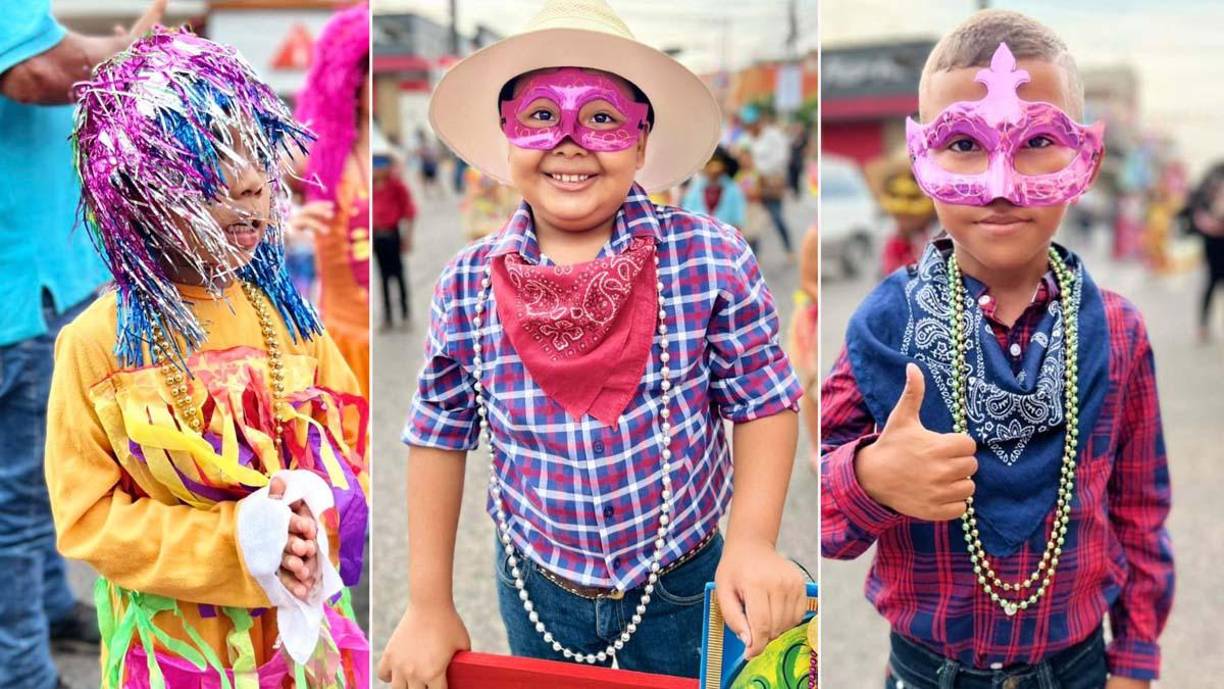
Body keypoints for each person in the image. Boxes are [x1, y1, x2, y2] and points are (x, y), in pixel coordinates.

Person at [378, 0, 807, 685]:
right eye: (541, 116)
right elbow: (438, 432)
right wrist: (428, 601)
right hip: (538, 588)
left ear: (641, 143)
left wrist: (752, 541)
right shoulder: (465, 286)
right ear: (507, 139)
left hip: (687, 583)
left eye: (602, 117)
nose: (569, 142)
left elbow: (764, 398)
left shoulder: (709, 258)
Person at [821, 11, 1172, 689]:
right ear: (922, 158)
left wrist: (1134, 661)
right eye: (963, 145)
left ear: (1085, 158)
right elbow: (828, 527)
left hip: (1079, 670)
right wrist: (869, 476)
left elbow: (1140, 510)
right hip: (929, 673)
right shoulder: (884, 325)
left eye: (1039, 140)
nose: (1001, 183)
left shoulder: (1119, 331)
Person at [45, 28, 370, 687]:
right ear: (135, 193)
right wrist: (238, 544)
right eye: (209, 164)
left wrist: (315, 517)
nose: (249, 184)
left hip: (305, 648)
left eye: (254, 153)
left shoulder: (291, 322)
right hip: (174, 656)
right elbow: (87, 517)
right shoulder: (94, 343)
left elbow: (351, 447)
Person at [0, 2, 165, 687]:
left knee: (36, 482)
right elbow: (37, 72)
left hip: (34, 286)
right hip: (19, 294)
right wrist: (132, 45)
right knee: (17, 503)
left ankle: (48, 607)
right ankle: (23, 669)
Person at [295, 4, 371, 398]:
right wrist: (283, 227)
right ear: (354, 80)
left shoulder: (384, 151)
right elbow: (246, 196)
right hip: (341, 342)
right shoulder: (317, 152)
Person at [742, 105, 794, 259]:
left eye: (753, 123)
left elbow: (782, 158)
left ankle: (788, 248)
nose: (751, 127)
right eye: (748, 125)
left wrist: (760, 169)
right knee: (754, 221)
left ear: (759, 121)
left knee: (777, 217)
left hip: (771, 185)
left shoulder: (773, 136)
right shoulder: (746, 139)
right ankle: (754, 256)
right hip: (753, 185)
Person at [372, 152, 416, 330]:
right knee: (382, 278)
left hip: (393, 235)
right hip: (377, 237)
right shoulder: (371, 187)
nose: (378, 169)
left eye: (382, 164)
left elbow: (409, 212)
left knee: (398, 276)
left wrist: (408, 237)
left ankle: (405, 315)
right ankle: (387, 317)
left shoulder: (397, 186)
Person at [681, 145, 747, 238]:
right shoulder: (695, 188)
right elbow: (687, 215)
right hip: (700, 239)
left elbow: (738, 220)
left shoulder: (733, 189)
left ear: (724, 166)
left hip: (727, 240)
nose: (713, 170)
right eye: (709, 164)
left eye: (717, 164)